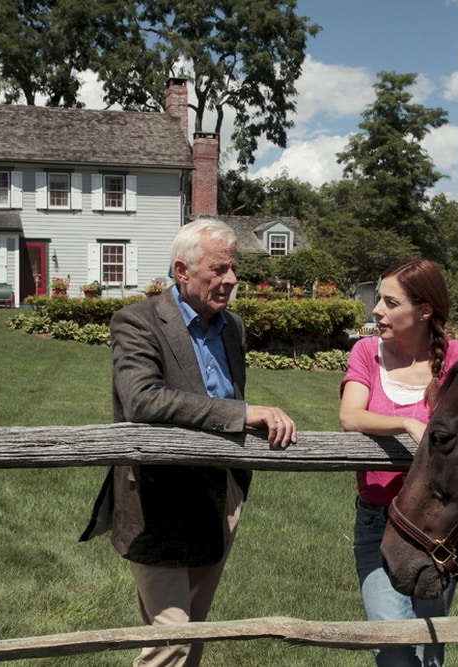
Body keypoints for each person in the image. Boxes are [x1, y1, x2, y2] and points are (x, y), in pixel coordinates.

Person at [80, 218, 297, 667]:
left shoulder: (232, 327)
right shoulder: (137, 321)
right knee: (171, 642)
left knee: (194, 635)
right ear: (182, 270)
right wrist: (243, 413)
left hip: (217, 500)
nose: (232, 279)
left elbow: (224, 393)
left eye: (233, 268)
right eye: (218, 269)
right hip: (155, 504)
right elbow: (143, 399)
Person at [339, 258, 458, 667]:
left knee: (430, 650)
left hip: (440, 527)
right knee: (393, 647)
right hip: (379, 521)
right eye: (379, 299)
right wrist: (407, 423)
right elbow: (351, 417)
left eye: (390, 302)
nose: (376, 310)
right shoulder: (367, 351)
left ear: (425, 310)